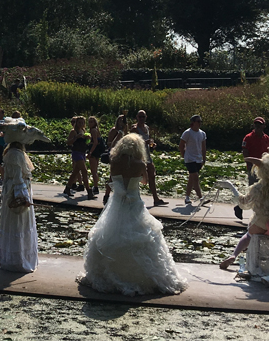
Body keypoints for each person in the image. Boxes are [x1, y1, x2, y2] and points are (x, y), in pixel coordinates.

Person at [79, 133, 188, 295]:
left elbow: (112, 179)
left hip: (116, 204)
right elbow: (144, 181)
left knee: (111, 234)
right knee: (140, 235)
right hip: (134, 202)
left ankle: (112, 273)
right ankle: (140, 277)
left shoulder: (114, 161)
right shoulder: (140, 163)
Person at [216, 153, 269, 271]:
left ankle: (234, 255)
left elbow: (244, 203)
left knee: (248, 236)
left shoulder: (258, 188)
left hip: (259, 224)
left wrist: (233, 190)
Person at [0, 136, 38, 273]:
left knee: (17, 225)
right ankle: (18, 261)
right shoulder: (15, 154)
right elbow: (17, 178)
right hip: (16, 191)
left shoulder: (13, 152)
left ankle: (15, 259)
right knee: (18, 223)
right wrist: (24, 197)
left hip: (14, 189)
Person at [236, 117, 269, 219]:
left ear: (264, 126)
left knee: (264, 190)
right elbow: (245, 152)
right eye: (256, 125)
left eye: (260, 125)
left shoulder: (266, 138)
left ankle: (253, 210)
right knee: (253, 190)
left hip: (264, 169)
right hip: (253, 168)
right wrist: (249, 164)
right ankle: (242, 208)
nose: (258, 127)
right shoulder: (248, 137)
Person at [133, 110, 167, 206]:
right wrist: (145, 142)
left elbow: (148, 141)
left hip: (147, 155)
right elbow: (134, 142)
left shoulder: (146, 128)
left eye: (143, 117)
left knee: (152, 175)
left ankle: (156, 199)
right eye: (140, 117)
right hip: (138, 156)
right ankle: (135, 198)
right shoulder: (135, 128)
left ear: (146, 117)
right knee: (136, 178)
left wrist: (152, 144)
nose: (141, 119)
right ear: (137, 117)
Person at [63, 116, 95, 199]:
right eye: (79, 122)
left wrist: (88, 138)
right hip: (76, 152)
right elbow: (68, 142)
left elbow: (87, 143)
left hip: (82, 152)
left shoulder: (84, 131)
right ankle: (89, 191)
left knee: (75, 172)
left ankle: (68, 187)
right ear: (76, 123)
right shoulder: (74, 132)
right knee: (84, 171)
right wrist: (76, 137)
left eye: (82, 123)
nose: (81, 124)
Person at [179, 115, 207, 205]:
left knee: (191, 178)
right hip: (190, 159)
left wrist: (204, 158)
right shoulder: (187, 133)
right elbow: (181, 145)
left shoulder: (202, 133)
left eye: (200, 122)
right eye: (198, 121)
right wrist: (184, 155)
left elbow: (203, 147)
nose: (199, 123)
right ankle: (201, 198)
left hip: (198, 159)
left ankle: (187, 197)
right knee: (195, 177)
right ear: (193, 123)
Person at [100, 115, 127, 204]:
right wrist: (118, 136)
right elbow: (109, 143)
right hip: (114, 153)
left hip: (124, 154)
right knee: (113, 176)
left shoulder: (125, 131)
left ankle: (121, 195)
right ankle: (107, 194)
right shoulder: (114, 130)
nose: (121, 122)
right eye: (120, 120)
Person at [86, 116, 105, 196]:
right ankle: (96, 185)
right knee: (95, 169)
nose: (90, 123)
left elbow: (95, 142)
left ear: (94, 123)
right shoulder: (97, 130)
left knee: (93, 170)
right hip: (97, 151)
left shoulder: (93, 130)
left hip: (94, 151)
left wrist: (90, 152)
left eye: (91, 122)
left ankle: (96, 186)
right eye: (89, 122)